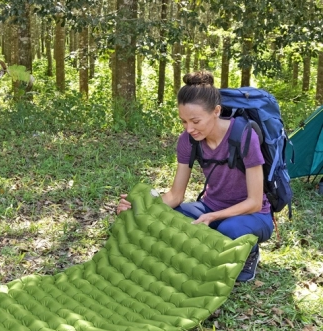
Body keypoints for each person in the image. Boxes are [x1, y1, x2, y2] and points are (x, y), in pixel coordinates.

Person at [116, 70, 273, 282]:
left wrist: (214, 217)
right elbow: (175, 196)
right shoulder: (187, 141)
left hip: (253, 215)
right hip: (210, 207)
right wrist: (140, 206)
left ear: (216, 111)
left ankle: (250, 252)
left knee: (228, 229)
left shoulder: (245, 136)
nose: (189, 128)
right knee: (167, 218)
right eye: (183, 121)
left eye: (195, 121)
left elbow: (254, 202)